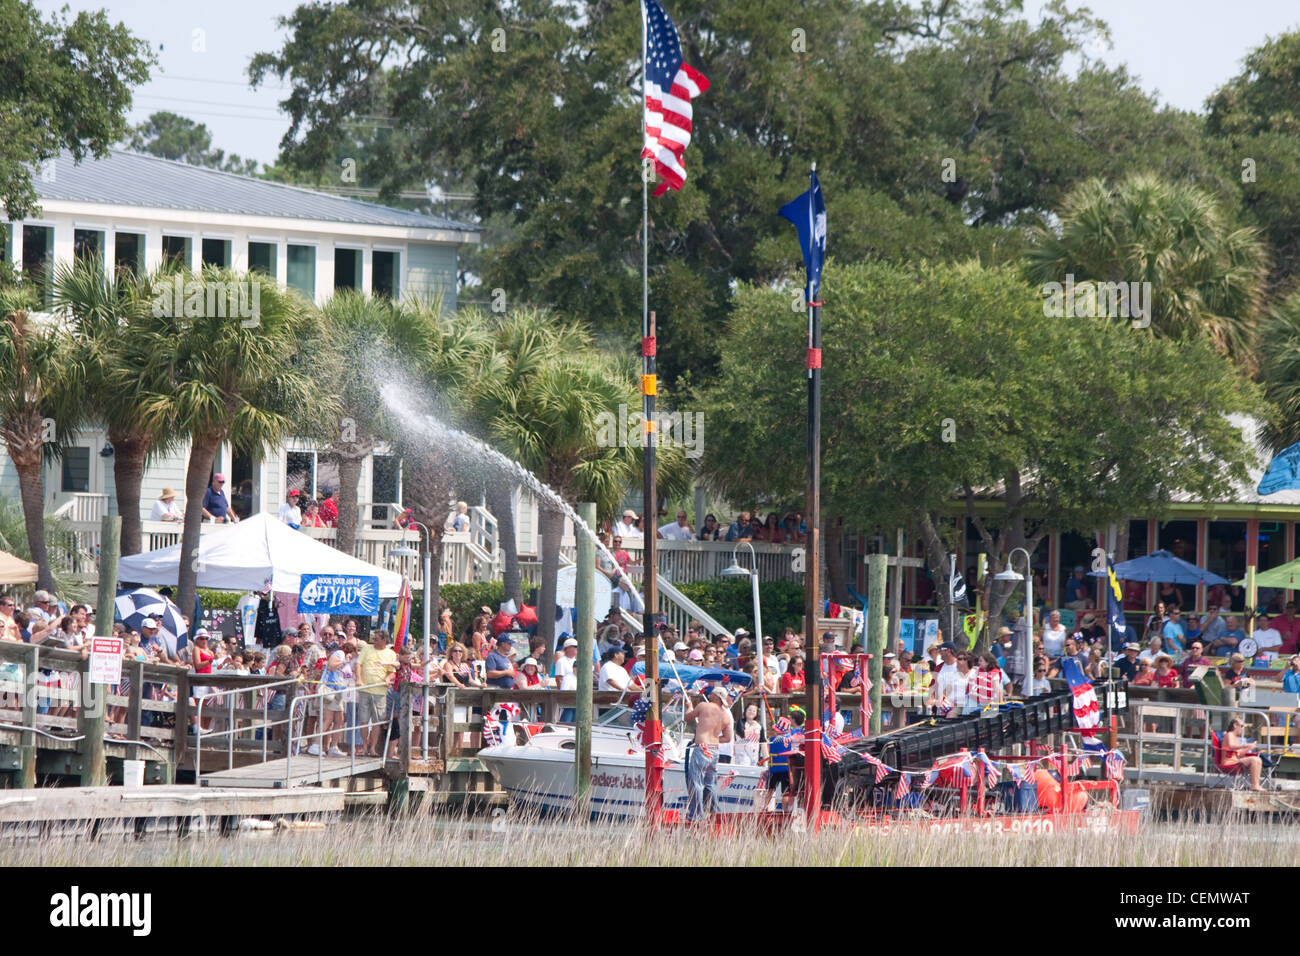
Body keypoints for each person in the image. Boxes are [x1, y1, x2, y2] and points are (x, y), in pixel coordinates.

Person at [683, 686, 729, 822]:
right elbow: (727, 738)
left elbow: (687, 718)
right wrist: (712, 739)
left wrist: (689, 706)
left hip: (702, 748)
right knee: (710, 784)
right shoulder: (726, 716)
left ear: (715, 697)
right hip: (714, 749)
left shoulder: (703, 706)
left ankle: (696, 815)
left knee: (696, 782)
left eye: (711, 695)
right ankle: (714, 812)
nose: (708, 696)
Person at [355, 631, 398, 757]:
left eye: (377, 639)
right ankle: (364, 746)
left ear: (384, 640)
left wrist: (387, 679)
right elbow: (358, 664)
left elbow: (392, 671)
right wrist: (358, 679)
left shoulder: (390, 653)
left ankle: (372, 748)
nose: (374, 641)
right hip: (365, 689)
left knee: (377, 721)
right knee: (363, 720)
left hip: (380, 692)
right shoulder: (367, 648)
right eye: (373, 638)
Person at [1220, 717, 1267, 791]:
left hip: (1235, 761)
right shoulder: (1229, 734)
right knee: (1253, 760)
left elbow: (1238, 753)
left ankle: (1256, 784)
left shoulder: (1234, 737)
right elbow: (1231, 746)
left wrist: (1249, 748)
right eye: (1241, 726)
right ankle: (1254, 785)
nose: (1242, 729)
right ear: (1235, 725)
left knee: (1258, 759)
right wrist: (1245, 745)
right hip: (1228, 763)